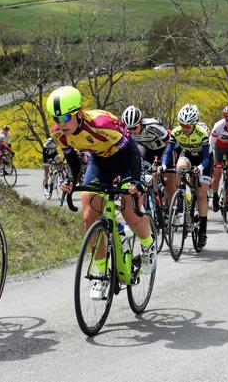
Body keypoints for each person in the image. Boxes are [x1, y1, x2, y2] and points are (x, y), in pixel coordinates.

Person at [47, 86, 155, 299]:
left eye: (66, 117)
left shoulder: (102, 125)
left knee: (130, 213)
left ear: (78, 112)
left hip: (126, 159)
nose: (61, 123)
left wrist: (135, 182)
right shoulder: (59, 132)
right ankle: (101, 273)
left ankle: (147, 246)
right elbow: (72, 161)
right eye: (56, 118)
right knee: (89, 215)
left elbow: (133, 152)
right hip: (100, 162)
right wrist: (70, 178)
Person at [161, 104, 211, 247]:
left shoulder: (202, 133)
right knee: (179, 168)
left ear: (194, 124)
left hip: (204, 160)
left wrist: (200, 168)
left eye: (188, 126)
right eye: (182, 125)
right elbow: (169, 152)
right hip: (188, 155)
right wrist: (164, 165)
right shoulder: (176, 132)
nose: (185, 128)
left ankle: (202, 231)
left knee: (201, 194)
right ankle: (181, 196)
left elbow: (207, 158)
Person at [121, 105, 172, 199]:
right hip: (147, 149)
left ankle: (172, 204)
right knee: (143, 174)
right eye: (129, 128)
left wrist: (161, 160)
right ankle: (148, 203)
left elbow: (169, 143)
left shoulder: (152, 126)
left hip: (164, 148)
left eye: (134, 128)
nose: (131, 131)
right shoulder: (125, 131)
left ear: (140, 122)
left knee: (167, 179)